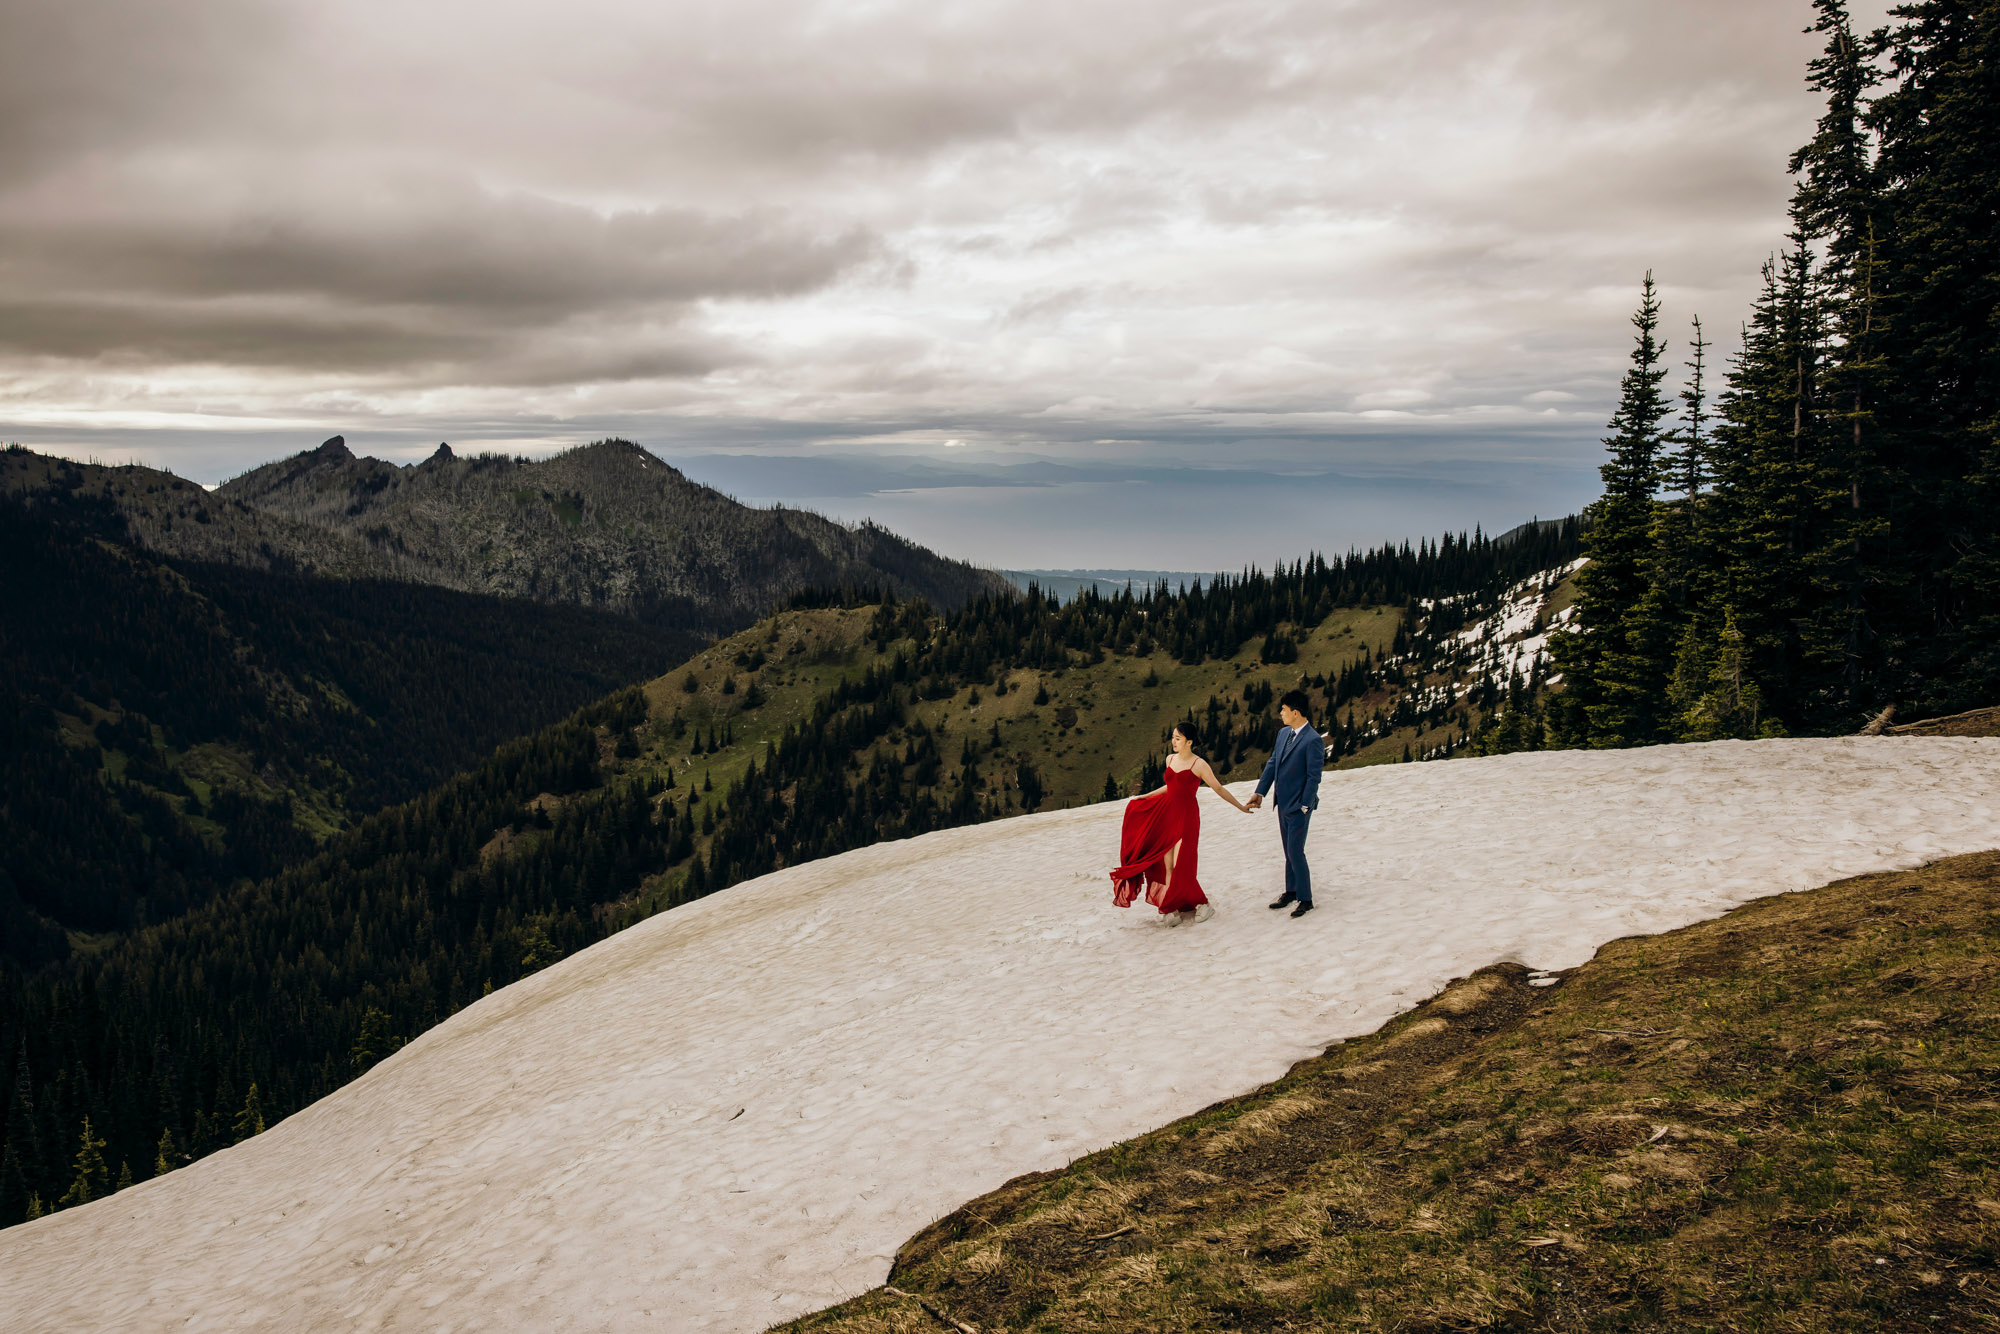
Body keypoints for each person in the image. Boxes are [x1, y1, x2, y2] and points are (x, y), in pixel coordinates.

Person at [1110, 722, 1251, 926]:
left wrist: (1240, 806)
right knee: (1167, 865)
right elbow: (1170, 786)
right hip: (1168, 815)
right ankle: (1171, 907)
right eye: (1173, 737)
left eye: (1178, 738)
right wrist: (1146, 796)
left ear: (1189, 742)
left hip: (1187, 818)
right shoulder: (1170, 759)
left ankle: (1203, 904)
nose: (1173, 741)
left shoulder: (1199, 765)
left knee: (1182, 866)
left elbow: (1218, 788)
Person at [1245, 689, 1322, 919]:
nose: (1281, 714)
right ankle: (1291, 891)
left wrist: (1305, 805)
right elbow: (1273, 763)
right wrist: (1261, 791)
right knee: (1288, 850)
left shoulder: (1313, 740)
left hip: (1299, 806)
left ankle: (1305, 899)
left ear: (1295, 712)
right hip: (1282, 803)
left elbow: (1314, 777)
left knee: (1295, 851)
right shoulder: (1283, 734)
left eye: (1284, 710)